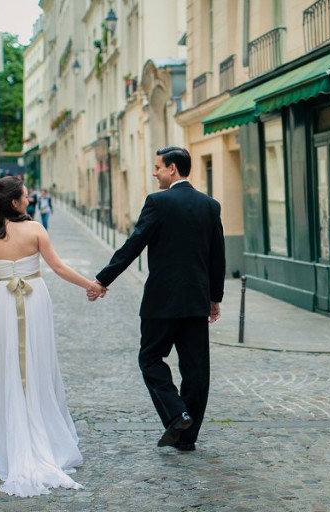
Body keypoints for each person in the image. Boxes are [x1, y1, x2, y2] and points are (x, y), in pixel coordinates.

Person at [0, 176, 102, 497]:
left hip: (3, 302)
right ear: (14, 202)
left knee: (5, 368)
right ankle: (42, 430)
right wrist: (90, 284)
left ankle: (8, 436)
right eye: (25, 197)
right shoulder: (36, 230)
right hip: (35, 299)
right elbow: (57, 267)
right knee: (39, 363)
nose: (29, 201)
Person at [89, 146, 225, 452]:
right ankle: (186, 438)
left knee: (150, 358)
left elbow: (134, 244)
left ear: (173, 169)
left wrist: (102, 280)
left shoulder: (158, 203)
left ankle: (177, 415)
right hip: (194, 302)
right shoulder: (210, 206)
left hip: (161, 302)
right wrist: (214, 297)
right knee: (196, 370)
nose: (155, 173)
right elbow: (218, 256)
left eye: (158, 167)